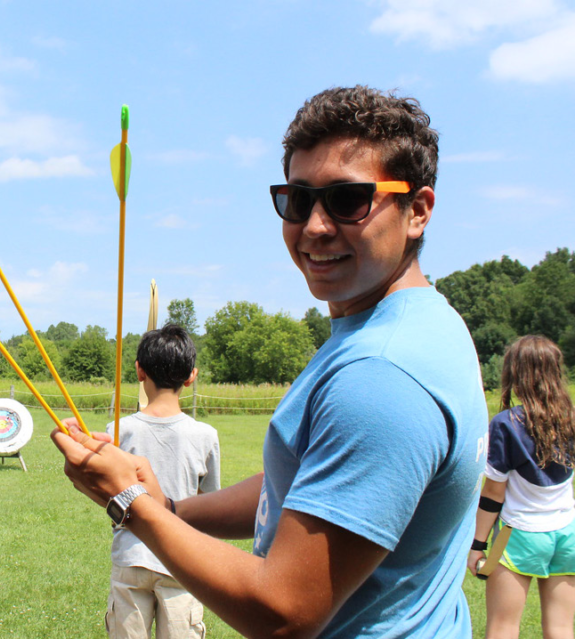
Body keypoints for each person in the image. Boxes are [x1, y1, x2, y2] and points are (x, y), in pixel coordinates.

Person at [52, 86, 489, 638]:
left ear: (417, 210)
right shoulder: (421, 322)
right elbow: (312, 487)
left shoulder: (381, 373)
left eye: (348, 199)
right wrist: (174, 508)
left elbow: (285, 613)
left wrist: (132, 503)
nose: (314, 226)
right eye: (297, 199)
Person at [106, 324, 220, 639]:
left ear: (140, 371)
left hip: (133, 558)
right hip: (182, 561)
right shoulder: (205, 436)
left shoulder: (119, 430)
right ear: (191, 375)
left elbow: (109, 494)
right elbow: (209, 505)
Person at [467, 335, 575, 639]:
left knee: (503, 627)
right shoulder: (570, 419)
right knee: (562, 628)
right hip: (567, 533)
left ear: (516, 373)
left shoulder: (506, 424)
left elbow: (492, 494)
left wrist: (477, 546)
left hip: (517, 534)